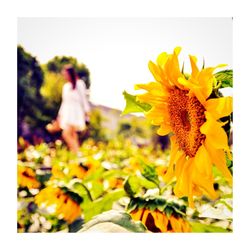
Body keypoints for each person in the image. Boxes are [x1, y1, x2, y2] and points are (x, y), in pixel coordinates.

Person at [47, 64, 90, 153]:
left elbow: (83, 99)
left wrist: (87, 113)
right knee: (73, 135)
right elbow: (64, 103)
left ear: (70, 74)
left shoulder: (79, 84)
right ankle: (76, 156)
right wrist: (59, 116)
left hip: (76, 113)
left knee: (66, 134)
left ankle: (77, 153)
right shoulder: (66, 87)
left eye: (65, 74)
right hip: (67, 113)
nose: (64, 76)